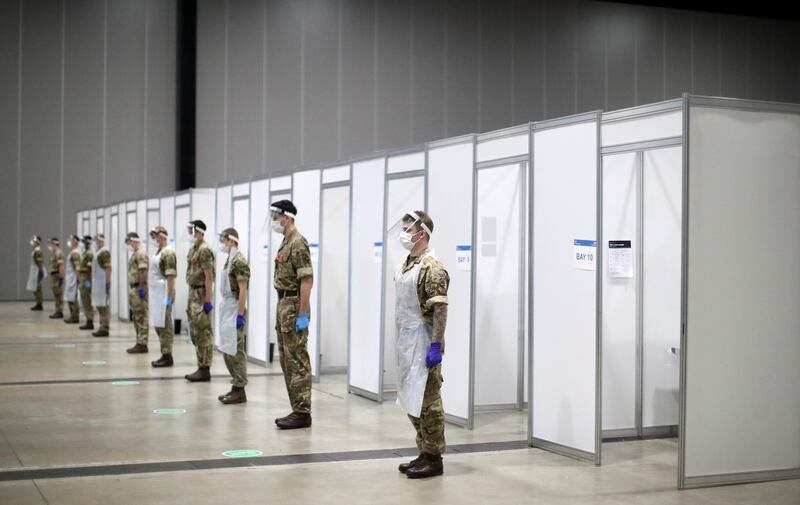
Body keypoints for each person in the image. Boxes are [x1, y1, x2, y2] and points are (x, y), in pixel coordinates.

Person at [391, 211, 449, 479]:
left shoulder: (432, 268)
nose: (403, 233)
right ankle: (424, 451)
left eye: (407, 228)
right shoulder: (407, 263)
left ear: (421, 233)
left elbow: (440, 310)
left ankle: (434, 458)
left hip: (424, 342)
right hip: (406, 341)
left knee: (429, 403)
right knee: (411, 400)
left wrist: (435, 345)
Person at [270, 200, 314, 429]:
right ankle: (296, 407)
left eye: (276, 216)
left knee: (297, 358)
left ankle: (303, 411)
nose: (273, 221)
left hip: (294, 304)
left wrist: (302, 313)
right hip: (283, 303)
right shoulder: (285, 241)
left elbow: (306, 279)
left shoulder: (298, 243)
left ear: (287, 217)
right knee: (286, 359)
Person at [216, 228, 251, 404]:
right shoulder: (229, 260)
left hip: (235, 308)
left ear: (232, 241)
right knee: (228, 349)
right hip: (227, 308)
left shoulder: (239, 261)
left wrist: (240, 314)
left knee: (236, 351)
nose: (221, 243)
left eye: (223, 239)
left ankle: (240, 389)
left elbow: (243, 288)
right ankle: (236, 387)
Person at [184, 220, 215, 382]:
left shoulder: (204, 250)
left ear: (199, 232)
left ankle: (205, 368)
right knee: (195, 330)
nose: (190, 233)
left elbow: (209, 276)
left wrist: (208, 300)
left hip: (201, 293)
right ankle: (200, 365)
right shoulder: (194, 249)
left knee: (203, 331)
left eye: (192, 230)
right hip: (193, 292)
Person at [148, 226, 177, 367]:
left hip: (165, 291)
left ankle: (167, 355)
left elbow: (171, 277)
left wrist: (169, 296)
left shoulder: (168, 253)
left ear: (163, 236)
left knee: (165, 325)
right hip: (157, 293)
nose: (154, 239)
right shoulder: (158, 252)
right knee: (158, 324)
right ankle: (164, 353)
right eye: (152, 236)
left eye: (156, 236)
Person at [126, 232, 149, 354]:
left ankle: (142, 343)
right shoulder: (135, 253)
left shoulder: (141, 253)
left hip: (138, 288)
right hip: (134, 288)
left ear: (134, 240)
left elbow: (143, 272)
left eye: (129, 242)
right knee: (136, 316)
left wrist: (141, 288)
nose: (128, 245)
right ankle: (139, 341)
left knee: (141, 316)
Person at [91, 233, 112, 337]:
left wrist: (107, 283)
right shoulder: (99, 251)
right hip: (98, 283)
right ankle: (102, 326)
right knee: (99, 305)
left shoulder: (104, 252)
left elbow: (108, 268)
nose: (96, 242)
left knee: (103, 306)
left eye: (97, 240)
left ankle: (104, 328)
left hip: (102, 283)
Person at [63, 235, 82, 324]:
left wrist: (78, 279)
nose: (69, 242)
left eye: (70, 240)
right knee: (70, 297)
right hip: (70, 278)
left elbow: (77, 268)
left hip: (73, 279)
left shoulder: (75, 253)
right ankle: (72, 315)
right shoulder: (72, 252)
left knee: (73, 298)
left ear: (75, 242)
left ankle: (74, 317)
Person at [78, 235, 95, 330]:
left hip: (86, 279)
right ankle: (88, 319)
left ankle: (90, 321)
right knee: (84, 300)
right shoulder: (85, 253)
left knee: (87, 300)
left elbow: (89, 268)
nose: (82, 244)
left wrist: (87, 281)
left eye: (84, 242)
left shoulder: (89, 254)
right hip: (83, 278)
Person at [47, 238, 65, 319]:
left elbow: (61, 266)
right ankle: (57, 311)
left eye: (50, 244)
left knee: (58, 294)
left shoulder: (58, 253)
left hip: (57, 276)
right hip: (53, 276)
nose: (49, 246)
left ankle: (59, 311)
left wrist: (61, 278)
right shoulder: (55, 253)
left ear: (54, 244)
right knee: (56, 294)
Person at [27, 235, 45, 311]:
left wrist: (41, 272)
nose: (32, 242)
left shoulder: (38, 250)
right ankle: (38, 302)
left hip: (37, 270)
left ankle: (39, 304)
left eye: (33, 241)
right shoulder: (35, 250)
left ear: (37, 242)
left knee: (37, 288)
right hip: (34, 270)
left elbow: (40, 262)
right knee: (35, 287)